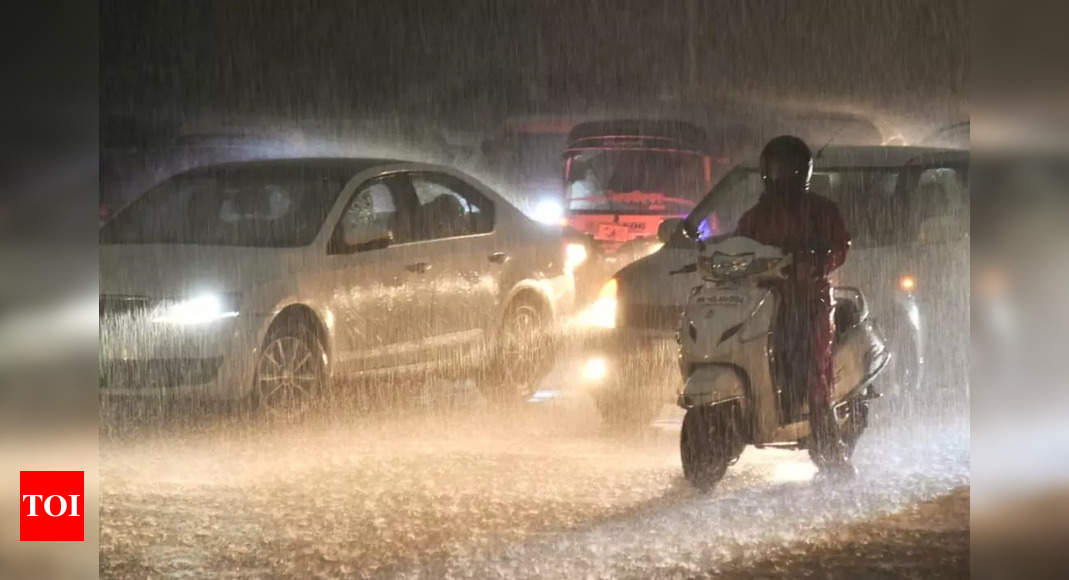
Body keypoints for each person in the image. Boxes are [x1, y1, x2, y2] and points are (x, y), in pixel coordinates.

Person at [735, 135, 853, 474]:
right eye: (776, 167)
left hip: (809, 301)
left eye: (789, 168)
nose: (782, 174)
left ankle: (829, 449)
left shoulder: (821, 211)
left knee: (814, 371)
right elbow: (739, 248)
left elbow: (839, 246)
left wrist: (814, 264)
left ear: (803, 171)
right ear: (766, 170)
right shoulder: (755, 217)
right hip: (764, 303)